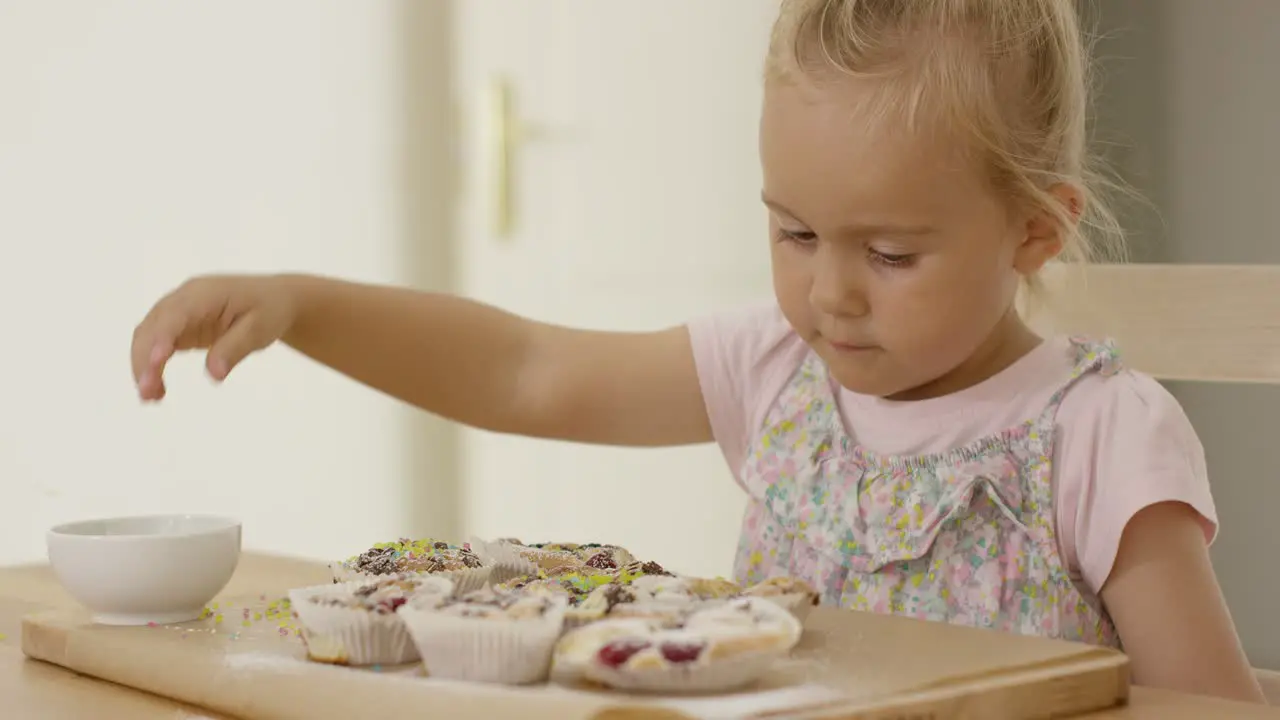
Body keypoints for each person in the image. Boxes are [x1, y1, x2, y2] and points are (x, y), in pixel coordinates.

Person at [129, 0, 1264, 703]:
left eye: (890, 254)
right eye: (794, 232)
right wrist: (302, 306)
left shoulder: (1096, 433)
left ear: (1034, 230)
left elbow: (1205, 708)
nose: (828, 293)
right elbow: (527, 371)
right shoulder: (776, 373)